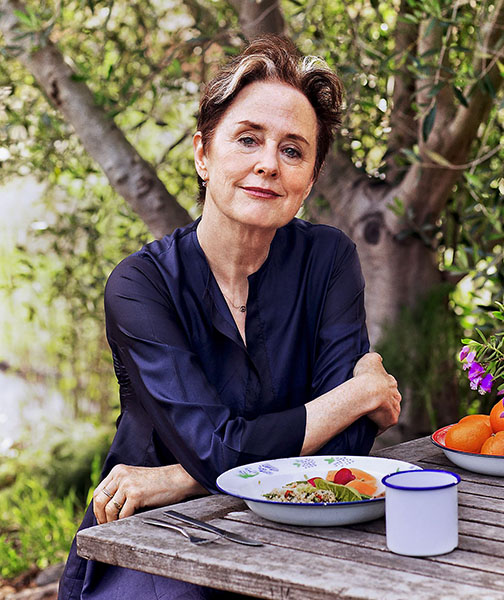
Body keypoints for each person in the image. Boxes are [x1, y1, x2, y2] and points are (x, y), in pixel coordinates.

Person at [58, 35, 401, 600]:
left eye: (293, 150)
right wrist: (358, 394)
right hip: (155, 541)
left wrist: (179, 477)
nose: (269, 163)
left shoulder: (328, 258)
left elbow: (350, 448)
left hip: (292, 525)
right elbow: (227, 447)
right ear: (202, 154)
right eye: (248, 139)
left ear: (309, 180)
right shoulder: (140, 286)